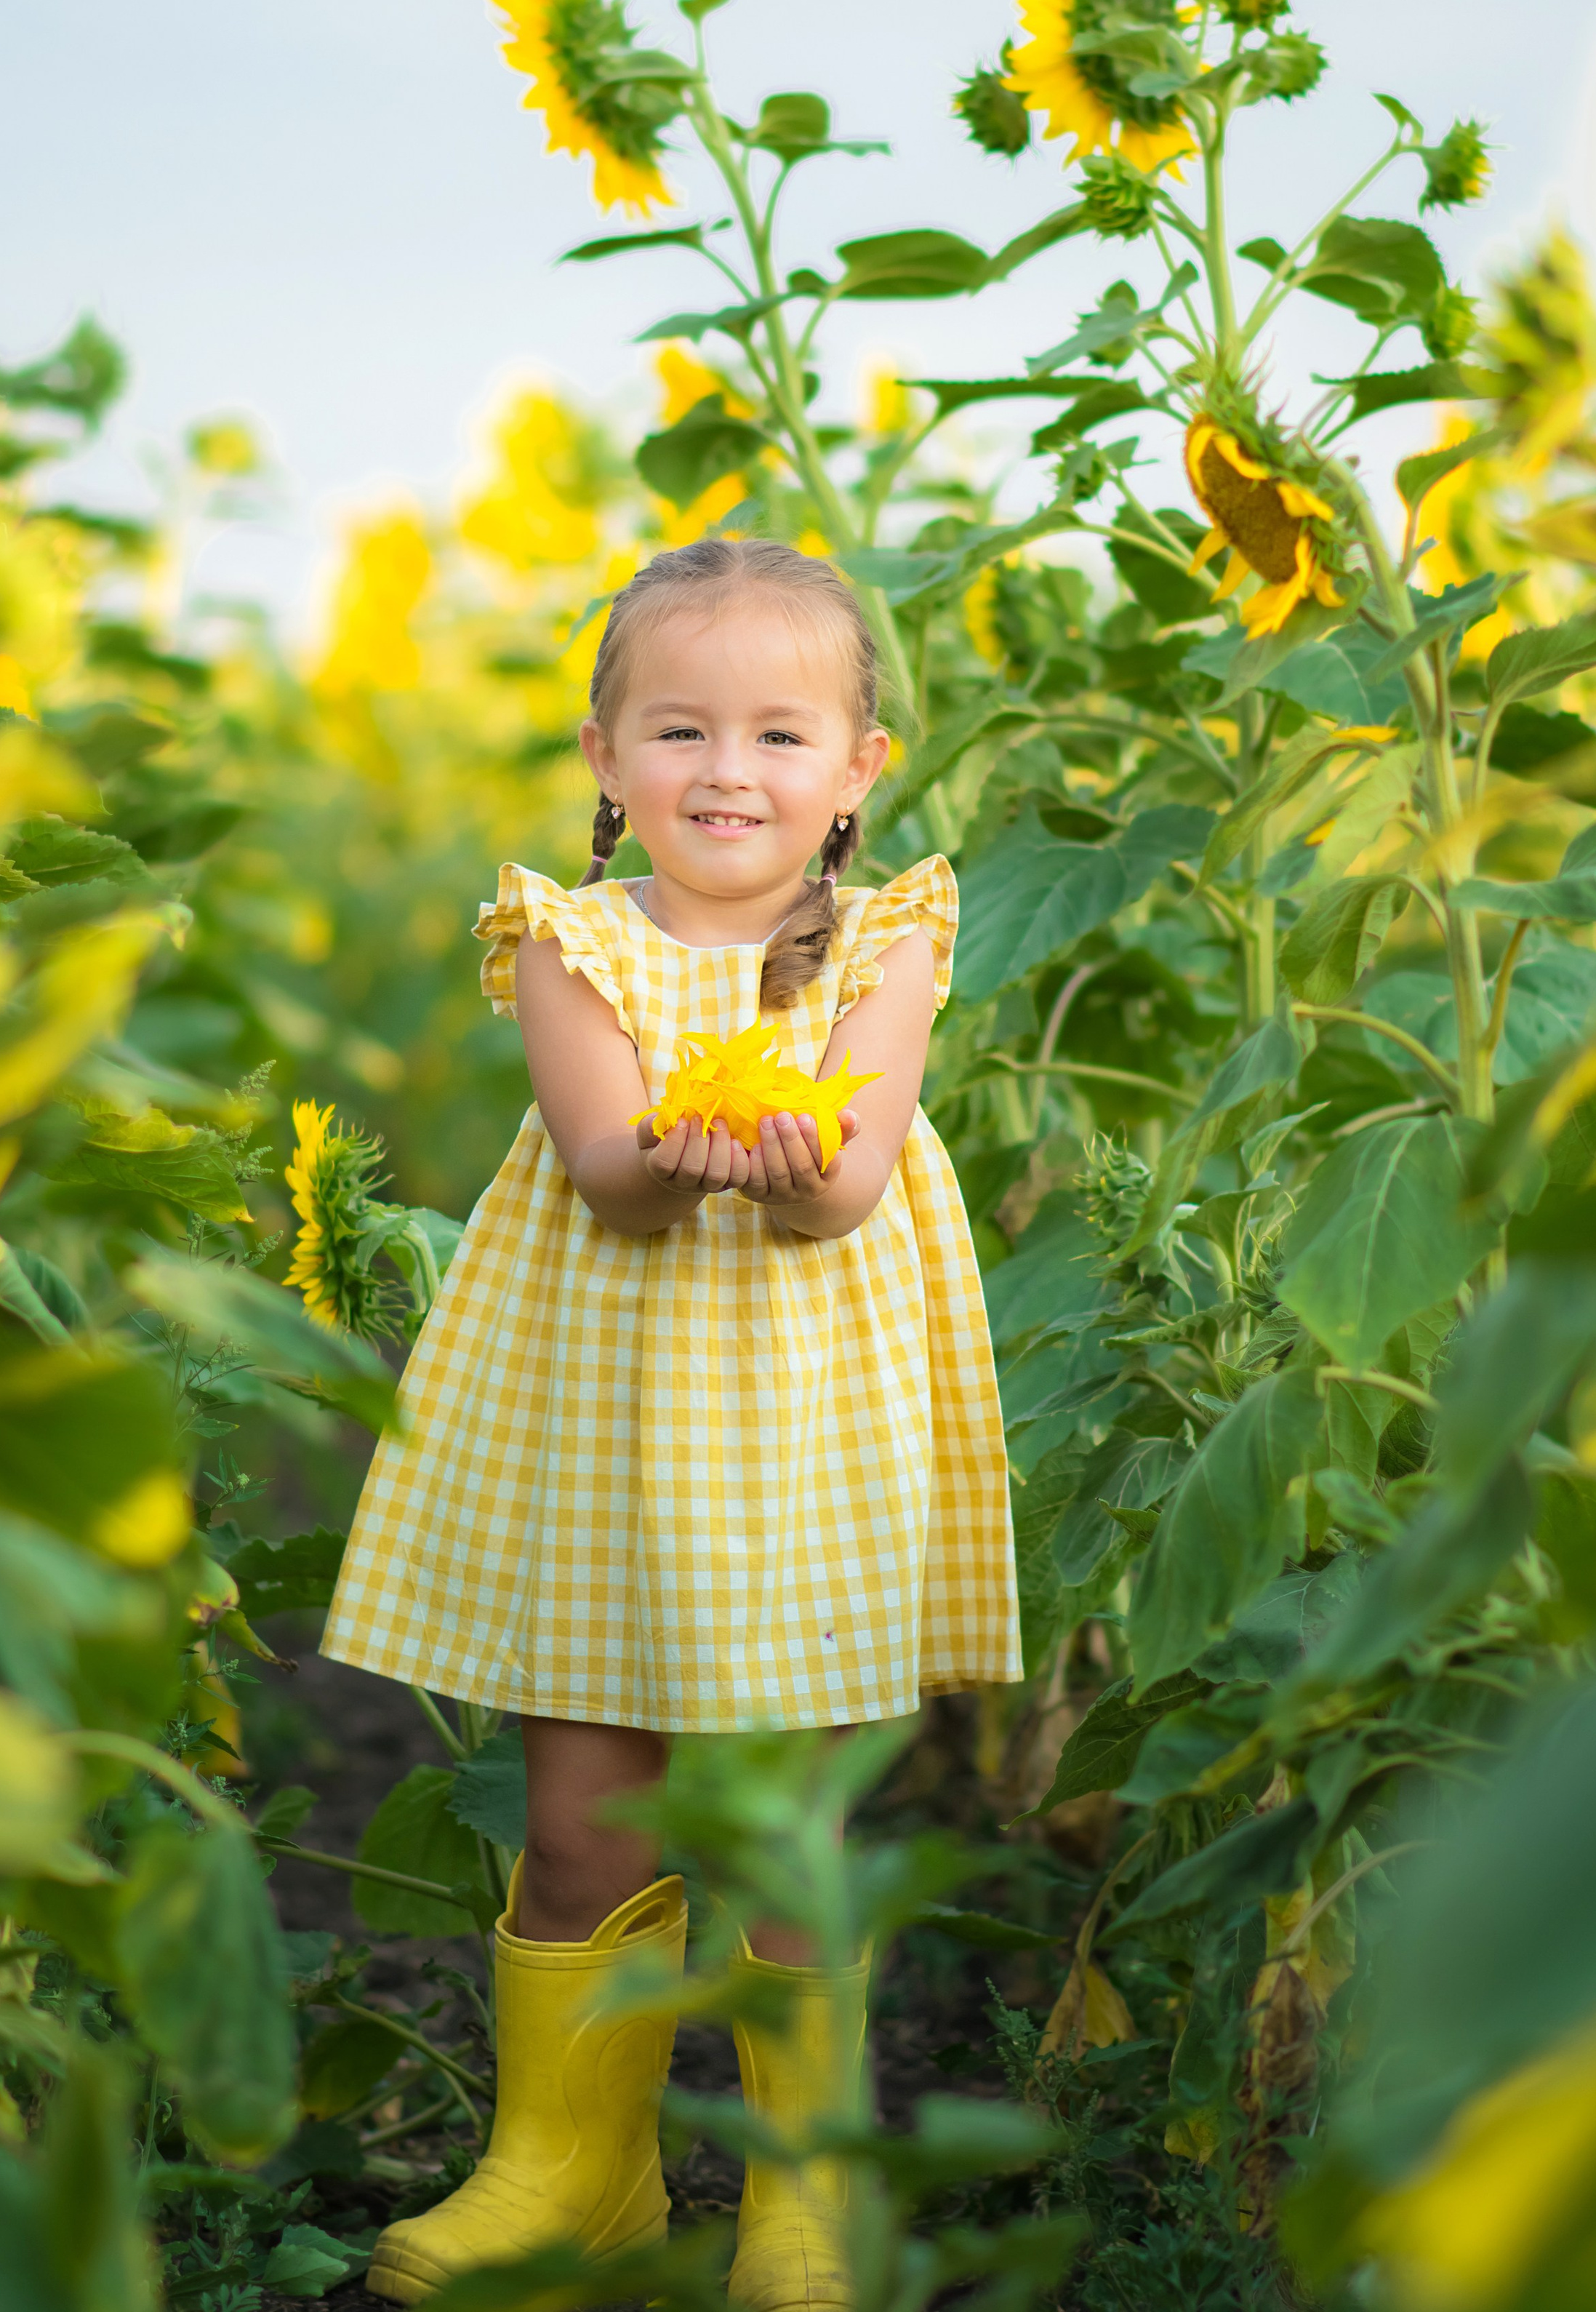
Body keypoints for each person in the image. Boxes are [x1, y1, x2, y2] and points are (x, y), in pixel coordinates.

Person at [322, 537, 1019, 2312]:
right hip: (605, 1421)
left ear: (859, 771)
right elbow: (611, 1182)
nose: (728, 773)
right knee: (580, 1820)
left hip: (806, 1430)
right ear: (604, 759)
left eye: (781, 736)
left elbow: (848, 1178)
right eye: (681, 731)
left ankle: (800, 2196)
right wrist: (678, 1154)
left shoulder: (888, 940)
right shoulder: (569, 942)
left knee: (788, 1825)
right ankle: (570, 2173)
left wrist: (783, 1169)